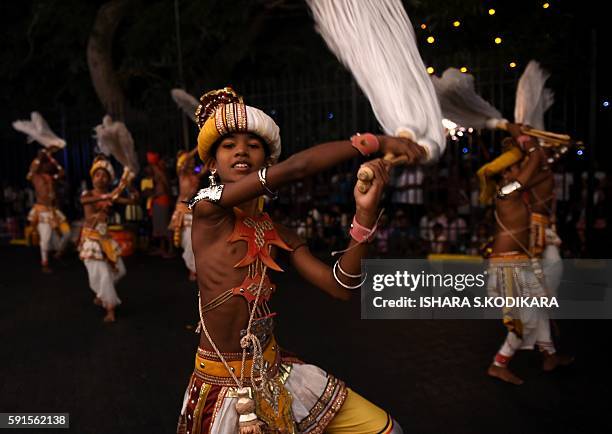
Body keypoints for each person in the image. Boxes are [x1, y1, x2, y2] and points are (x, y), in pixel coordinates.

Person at [176, 88, 423, 433]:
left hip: (275, 373)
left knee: (388, 430)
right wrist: (373, 142)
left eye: (253, 144)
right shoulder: (206, 207)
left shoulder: (277, 232)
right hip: (222, 387)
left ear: (266, 160)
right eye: (229, 145)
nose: (242, 151)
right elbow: (298, 168)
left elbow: (340, 287)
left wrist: (363, 217)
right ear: (213, 165)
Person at [477, 125, 572, 385]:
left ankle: (549, 354)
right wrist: (526, 142)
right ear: (505, 173)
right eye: (514, 166)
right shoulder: (505, 192)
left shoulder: (517, 191)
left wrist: (533, 148)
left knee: (536, 309)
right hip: (509, 266)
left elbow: (543, 172)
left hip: (519, 262)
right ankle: (499, 364)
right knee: (525, 320)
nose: (519, 169)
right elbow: (535, 164)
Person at [79, 156, 137, 322]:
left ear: (109, 179)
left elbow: (132, 201)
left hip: (105, 238)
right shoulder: (88, 193)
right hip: (91, 239)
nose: (101, 178)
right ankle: (110, 308)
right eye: (97, 175)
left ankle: (102, 293)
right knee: (104, 274)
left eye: (104, 175)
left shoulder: (112, 195)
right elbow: (84, 201)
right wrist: (106, 198)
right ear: (92, 177)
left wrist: (131, 189)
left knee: (120, 270)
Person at [26, 147, 70, 273]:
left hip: (54, 210)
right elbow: (33, 168)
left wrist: (51, 157)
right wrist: (41, 156)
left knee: (66, 233)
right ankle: (44, 263)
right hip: (43, 211)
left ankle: (58, 254)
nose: (47, 165)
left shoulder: (51, 177)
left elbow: (62, 172)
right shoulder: (35, 177)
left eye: (47, 163)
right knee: (45, 239)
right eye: (44, 163)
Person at [169, 149, 205, 281]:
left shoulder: (195, 175)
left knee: (195, 241)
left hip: (193, 209)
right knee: (188, 241)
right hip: (182, 210)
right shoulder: (182, 174)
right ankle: (192, 269)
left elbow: (207, 166)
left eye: (191, 160)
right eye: (187, 159)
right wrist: (198, 146)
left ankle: (195, 268)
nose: (190, 161)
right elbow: (183, 161)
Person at [146, 151, 173, 257]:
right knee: (160, 227)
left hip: (162, 200)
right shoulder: (156, 172)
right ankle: (162, 249)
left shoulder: (161, 172)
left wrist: (155, 194)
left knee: (165, 226)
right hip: (157, 200)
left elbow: (165, 189)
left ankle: (171, 250)